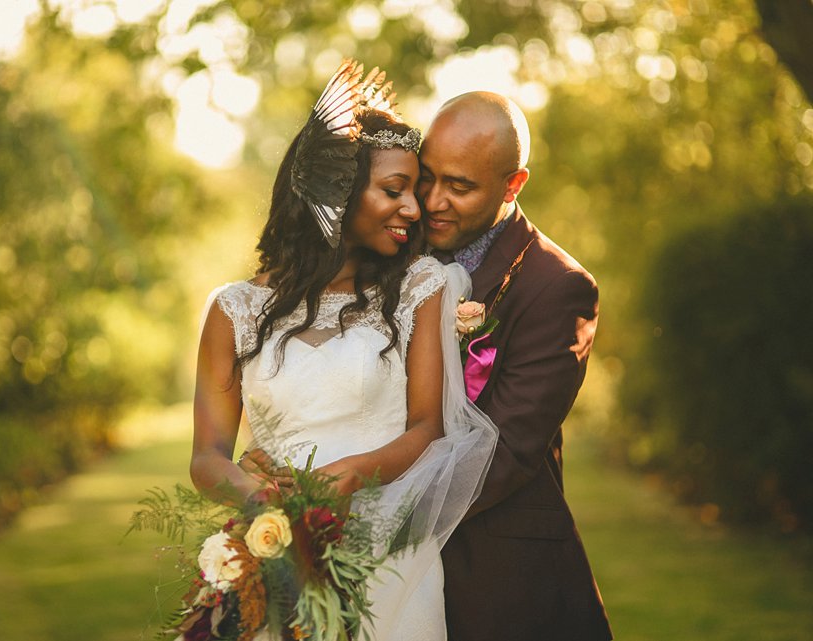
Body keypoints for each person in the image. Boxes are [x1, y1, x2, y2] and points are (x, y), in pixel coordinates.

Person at [190, 61, 496, 641]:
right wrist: (270, 505)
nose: (415, 208)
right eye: (394, 190)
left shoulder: (419, 289)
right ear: (336, 194)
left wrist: (350, 477)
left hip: (389, 558)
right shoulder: (232, 312)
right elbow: (207, 456)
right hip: (278, 554)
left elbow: (427, 425)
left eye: (415, 188)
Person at [418, 91, 613, 641]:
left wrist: (367, 513)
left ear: (513, 184)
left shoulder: (559, 288)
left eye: (459, 186)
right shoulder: (396, 251)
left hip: (498, 580)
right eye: (426, 176)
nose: (433, 200)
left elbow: (502, 454)